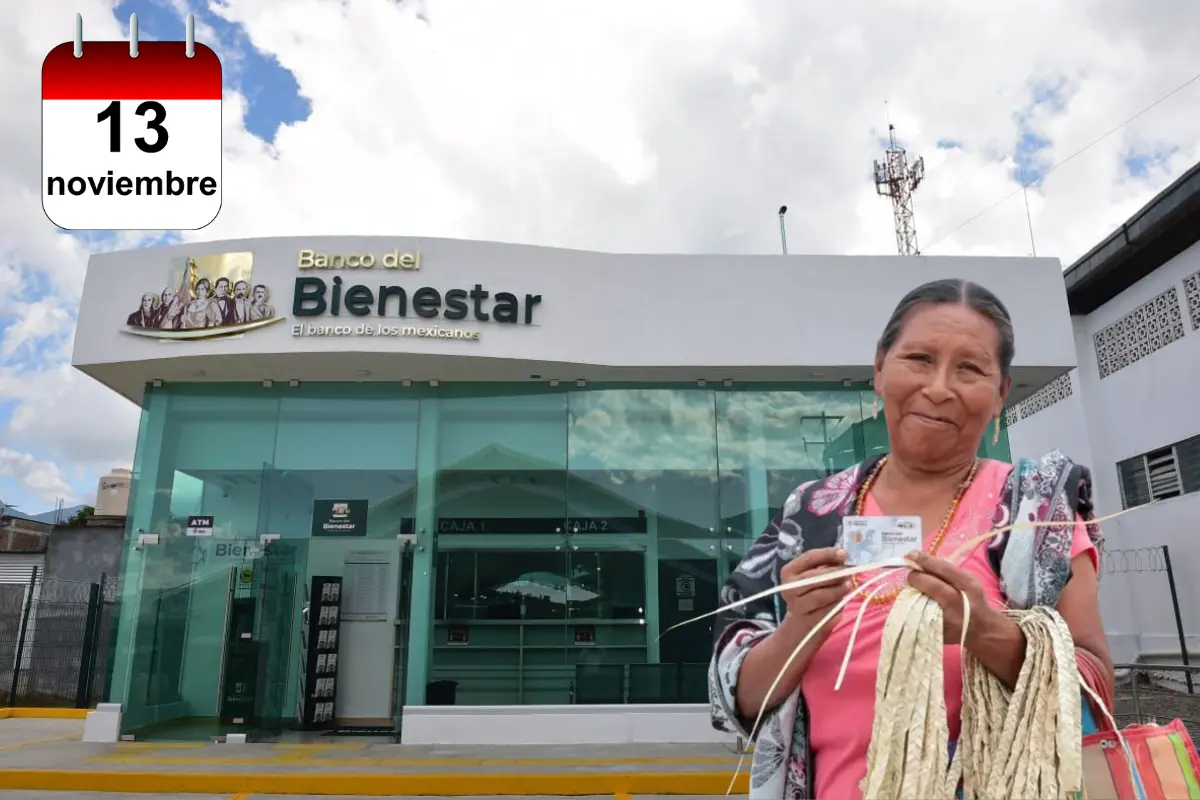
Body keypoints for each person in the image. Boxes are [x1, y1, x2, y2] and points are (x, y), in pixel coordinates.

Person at [709, 279, 1114, 799]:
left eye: (969, 369)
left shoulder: (1036, 512)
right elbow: (740, 700)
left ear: (1000, 394)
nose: (940, 388)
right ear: (880, 369)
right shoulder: (810, 514)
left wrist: (987, 633)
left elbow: (1096, 695)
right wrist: (800, 627)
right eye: (919, 359)